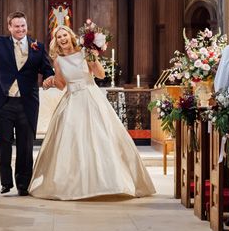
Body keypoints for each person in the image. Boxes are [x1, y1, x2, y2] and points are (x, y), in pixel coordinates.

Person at [29, 25, 155, 200]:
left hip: (91, 96)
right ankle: (74, 185)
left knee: (102, 137)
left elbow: (101, 75)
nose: (62, 39)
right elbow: (61, 84)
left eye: (64, 35)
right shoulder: (58, 60)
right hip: (71, 100)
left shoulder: (84, 52)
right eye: (58, 37)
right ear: (56, 41)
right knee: (72, 141)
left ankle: (111, 182)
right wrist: (50, 80)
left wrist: (93, 59)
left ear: (71, 37)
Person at [0, 12, 54, 195]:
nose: (20, 29)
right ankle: (6, 182)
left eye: (23, 26)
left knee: (25, 145)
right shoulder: (0, 43)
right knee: (4, 144)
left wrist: (49, 78)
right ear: (9, 27)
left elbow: (47, 69)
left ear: (26, 26)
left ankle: (23, 185)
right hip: (4, 102)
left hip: (27, 104)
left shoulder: (37, 47)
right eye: (16, 26)